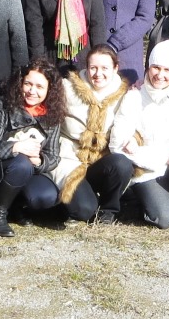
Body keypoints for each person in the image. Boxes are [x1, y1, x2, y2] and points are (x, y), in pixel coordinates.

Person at [110, 41, 169, 229]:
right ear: (148, 66)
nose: (160, 75)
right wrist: (163, 158)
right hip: (148, 167)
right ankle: (151, 200)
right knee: (164, 218)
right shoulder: (134, 95)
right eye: (155, 67)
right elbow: (117, 143)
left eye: (167, 70)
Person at [0, 58, 66, 236]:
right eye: (28, 84)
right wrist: (15, 147)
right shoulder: (1, 105)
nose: (32, 91)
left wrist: (39, 160)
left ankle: (16, 207)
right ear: (20, 83)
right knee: (22, 164)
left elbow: (54, 156)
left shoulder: (53, 114)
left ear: (49, 90)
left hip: (30, 171)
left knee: (46, 196)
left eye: (39, 87)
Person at [50, 45, 138, 224]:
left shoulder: (125, 94)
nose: (98, 74)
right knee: (83, 210)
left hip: (102, 161)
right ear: (86, 67)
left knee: (122, 163)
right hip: (71, 158)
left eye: (105, 68)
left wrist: (133, 139)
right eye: (93, 68)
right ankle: (79, 200)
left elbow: (131, 125)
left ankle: (108, 209)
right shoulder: (67, 88)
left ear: (115, 68)